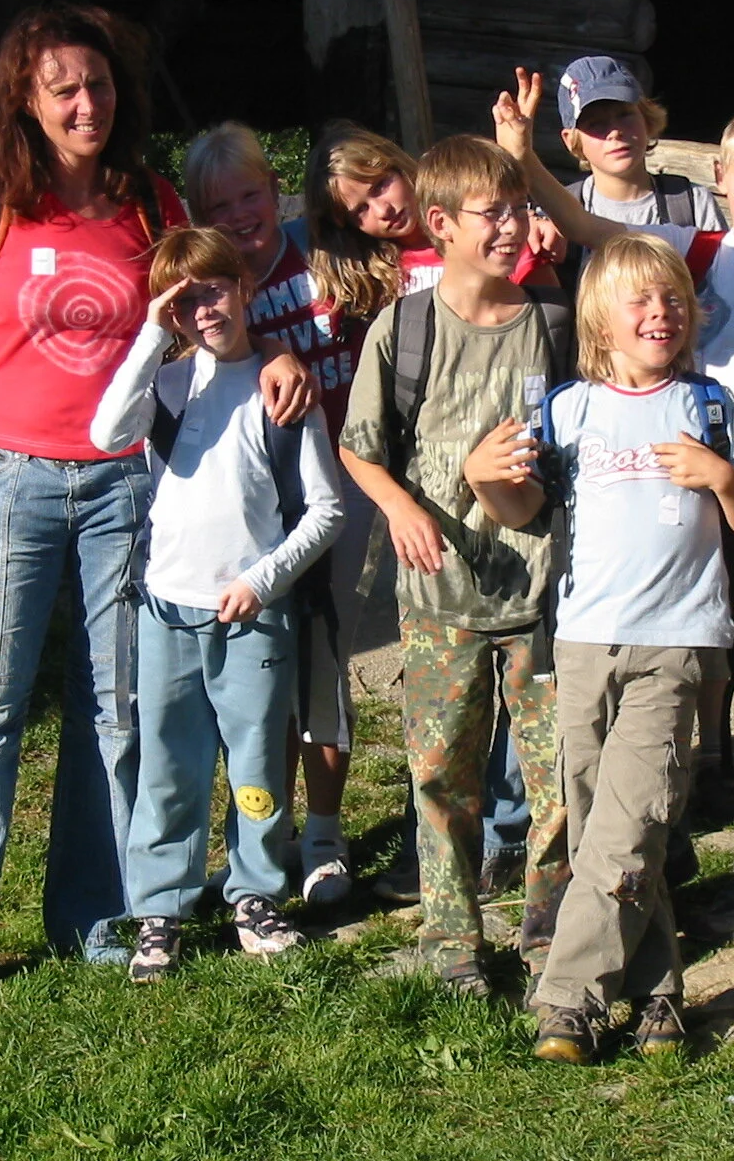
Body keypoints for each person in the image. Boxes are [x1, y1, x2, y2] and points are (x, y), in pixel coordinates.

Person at [0, 4, 310, 1001]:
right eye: (64, 87)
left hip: (131, 487)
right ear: (24, 102)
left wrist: (277, 351)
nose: (87, 103)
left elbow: (216, 310)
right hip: (9, 481)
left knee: (114, 711)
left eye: (99, 84)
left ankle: (96, 917)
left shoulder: (150, 204)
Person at [495, 75, 734, 941]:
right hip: (675, 499)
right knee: (685, 678)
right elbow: (588, 231)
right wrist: (524, 156)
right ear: (721, 178)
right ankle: (663, 850)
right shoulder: (698, 253)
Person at [466, 233, 734, 1062]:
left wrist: (726, 481)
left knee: (630, 825)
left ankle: (567, 999)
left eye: (671, 298)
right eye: (639, 299)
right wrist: (482, 476)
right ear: (600, 320)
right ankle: (659, 994)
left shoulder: (709, 405)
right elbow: (521, 512)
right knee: (611, 830)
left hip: (679, 640)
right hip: (587, 639)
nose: (659, 312)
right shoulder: (568, 410)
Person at [303, 121, 562, 905]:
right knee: (442, 779)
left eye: (517, 207)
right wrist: (399, 507)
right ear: (442, 224)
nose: (511, 224)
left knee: (557, 787)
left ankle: (552, 937)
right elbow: (360, 446)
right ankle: (451, 939)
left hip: (539, 596)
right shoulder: (405, 328)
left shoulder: (552, 324)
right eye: (494, 212)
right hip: (439, 594)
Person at [91, 227, 343, 978]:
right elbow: (106, 432)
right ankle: (160, 907)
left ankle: (257, 893)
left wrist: (261, 581)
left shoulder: (282, 390)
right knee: (168, 764)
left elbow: (325, 511)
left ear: (244, 288)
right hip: (167, 609)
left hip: (252, 614)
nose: (206, 308)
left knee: (258, 764)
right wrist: (147, 332)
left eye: (217, 288)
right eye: (187, 298)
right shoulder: (165, 387)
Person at [184, 122, 371, 906]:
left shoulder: (318, 256)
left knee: (323, 674)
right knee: (267, 682)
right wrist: (268, 347)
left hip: (338, 487)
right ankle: (271, 832)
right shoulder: (209, 286)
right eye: (220, 206)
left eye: (251, 196)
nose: (241, 217)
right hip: (253, 500)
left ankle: (325, 835)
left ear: (275, 192)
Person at [555, 54, 724, 275]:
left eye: (625, 115)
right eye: (596, 123)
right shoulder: (560, 213)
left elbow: (725, 285)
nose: (615, 131)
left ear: (646, 118)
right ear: (571, 139)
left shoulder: (693, 204)